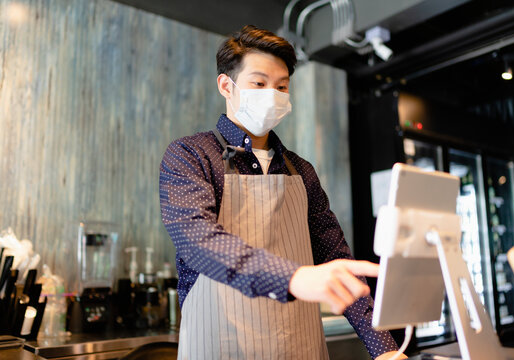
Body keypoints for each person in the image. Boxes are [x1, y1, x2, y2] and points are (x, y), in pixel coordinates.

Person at [160, 25, 406, 360]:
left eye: (281, 86)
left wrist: (386, 350)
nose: (272, 94)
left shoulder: (300, 170)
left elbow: (335, 258)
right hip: (220, 345)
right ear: (226, 86)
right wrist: (295, 278)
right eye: (259, 83)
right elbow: (198, 240)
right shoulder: (191, 155)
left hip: (299, 346)